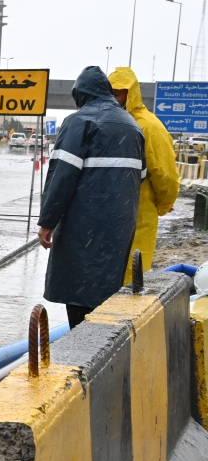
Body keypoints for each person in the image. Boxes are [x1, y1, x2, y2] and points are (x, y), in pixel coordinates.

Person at [39, 66, 145, 328]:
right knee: (106, 291)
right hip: (120, 223)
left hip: (83, 223)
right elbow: (140, 176)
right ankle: (102, 350)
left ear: (81, 95)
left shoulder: (79, 122)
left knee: (79, 291)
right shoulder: (132, 126)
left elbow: (62, 177)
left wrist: (47, 221)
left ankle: (81, 354)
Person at [108, 67, 179, 284]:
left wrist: (163, 204)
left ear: (132, 94)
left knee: (131, 274)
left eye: (117, 94)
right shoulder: (114, 122)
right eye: (109, 93)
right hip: (112, 212)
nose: (113, 99)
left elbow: (165, 175)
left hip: (139, 213)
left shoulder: (149, 127)